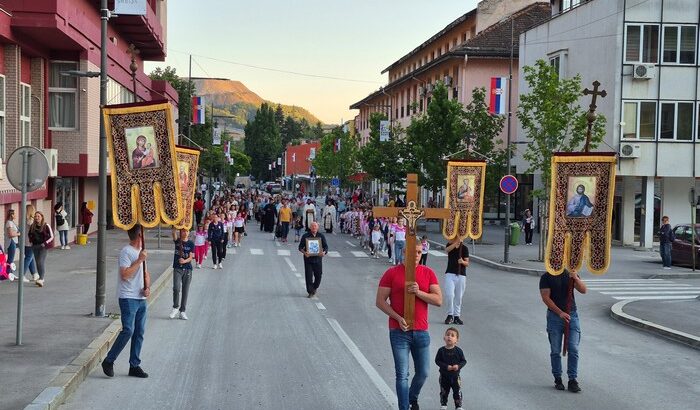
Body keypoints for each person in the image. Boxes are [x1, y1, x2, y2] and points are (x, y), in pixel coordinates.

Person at [376, 243, 442, 410]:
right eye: (414, 251)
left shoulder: (428, 272)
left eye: (420, 252)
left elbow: (438, 300)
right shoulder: (392, 273)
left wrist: (419, 292)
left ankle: (412, 398)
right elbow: (380, 301)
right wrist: (398, 318)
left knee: (423, 372)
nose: (417, 255)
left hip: (421, 331)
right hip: (399, 331)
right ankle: (404, 407)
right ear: (405, 252)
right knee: (402, 374)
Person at [101, 224, 151, 379]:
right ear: (139, 235)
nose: (145, 237)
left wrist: (147, 287)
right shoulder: (126, 252)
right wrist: (139, 260)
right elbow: (125, 275)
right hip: (128, 297)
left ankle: (134, 365)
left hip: (141, 297)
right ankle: (109, 360)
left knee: (139, 332)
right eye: (144, 234)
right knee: (128, 330)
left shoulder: (141, 252)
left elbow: (146, 273)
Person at [539, 268, 587, 393]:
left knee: (573, 348)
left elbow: (583, 290)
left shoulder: (570, 274)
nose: (557, 260)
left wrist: (575, 278)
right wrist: (560, 312)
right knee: (555, 350)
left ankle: (572, 380)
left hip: (572, 315)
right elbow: (545, 298)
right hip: (554, 317)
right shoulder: (546, 277)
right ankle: (558, 378)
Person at [435, 327, 467, 410]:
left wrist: (458, 366)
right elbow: (437, 361)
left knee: (457, 391)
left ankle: (458, 406)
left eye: (452, 335)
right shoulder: (441, 350)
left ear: (456, 340)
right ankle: (444, 405)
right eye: (447, 335)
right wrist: (446, 366)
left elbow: (463, 361)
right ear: (444, 338)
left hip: (455, 376)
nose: (449, 337)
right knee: (444, 391)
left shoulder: (459, 351)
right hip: (444, 376)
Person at [298, 222, 328, 298]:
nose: (314, 227)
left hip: (318, 259)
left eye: (315, 226)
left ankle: (314, 287)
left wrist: (324, 252)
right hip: (308, 259)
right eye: (312, 226)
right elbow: (300, 247)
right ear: (310, 227)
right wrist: (305, 253)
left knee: (318, 275)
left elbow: (326, 246)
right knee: (308, 276)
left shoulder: (321, 236)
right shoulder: (305, 236)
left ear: (318, 227)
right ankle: (310, 291)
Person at [170, 228, 194, 320]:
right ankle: (175, 307)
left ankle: (182, 311)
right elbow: (173, 233)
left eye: (187, 231)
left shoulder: (191, 243)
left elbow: (191, 257)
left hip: (187, 269)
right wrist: (175, 226)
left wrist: (184, 261)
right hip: (177, 268)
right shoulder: (178, 241)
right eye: (183, 231)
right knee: (176, 288)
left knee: (185, 290)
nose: (185, 233)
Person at [443, 238, 469, 325]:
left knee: (458, 297)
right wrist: (456, 242)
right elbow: (447, 250)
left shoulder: (464, 248)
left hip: (461, 274)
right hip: (450, 273)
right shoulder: (450, 245)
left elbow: (467, 263)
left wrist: (462, 262)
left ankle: (456, 316)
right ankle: (450, 315)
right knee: (450, 295)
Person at [28, 212, 53, 287]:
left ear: (42, 217)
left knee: (40, 262)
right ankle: (40, 278)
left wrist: (45, 243)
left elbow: (51, 236)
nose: (36, 218)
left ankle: (41, 279)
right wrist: (31, 242)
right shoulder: (32, 226)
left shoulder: (46, 225)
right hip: (35, 246)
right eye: (35, 216)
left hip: (43, 247)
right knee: (37, 263)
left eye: (38, 216)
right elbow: (30, 234)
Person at [4, 209, 24, 282]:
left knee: (10, 259)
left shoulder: (11, 222)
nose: (15, 215)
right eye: (14, 214)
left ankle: (9, 274)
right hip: (11, 242)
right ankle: (7, 274)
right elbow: (11, 234)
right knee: (10, 260)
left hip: (14, 241)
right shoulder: (9, 223)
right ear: (12, 215)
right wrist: (19, 234)